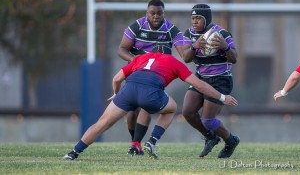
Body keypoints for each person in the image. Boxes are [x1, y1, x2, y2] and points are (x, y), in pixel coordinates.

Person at [63, 46, 238, 160]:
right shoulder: (173, 61)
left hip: (128, 90)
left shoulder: (140, 59)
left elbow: (117, 79)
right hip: (151, 93)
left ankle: (73, 153)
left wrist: (116, 93)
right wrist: (222, 97)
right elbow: (199, 84)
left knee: (101, 123)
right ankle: (152, 141)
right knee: (172, 109)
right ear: (168, 52)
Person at [117, 0, 184, 155]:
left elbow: (184, 54)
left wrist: (192, 47)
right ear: (147, 13)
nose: (155, 16)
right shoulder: (137, 26)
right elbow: (121, 49)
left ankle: (136, 144)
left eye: (159, 13)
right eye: (152, 13)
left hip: (156, 75)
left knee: (147, 106)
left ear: (163, 13)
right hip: (137, 71)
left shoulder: (171, 30)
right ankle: (134, 142)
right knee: (132, 110)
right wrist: (136, 61)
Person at [182, 4, 239, 158]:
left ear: (206, 19)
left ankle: (230, 140)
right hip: (200, 78)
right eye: (193, 18)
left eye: (198, 18)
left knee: (207, 120)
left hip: (220, 79)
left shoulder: (221, 33)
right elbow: (186, 58)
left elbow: (234, 58)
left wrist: (225, 47)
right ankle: (211, 137)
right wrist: (194, 46)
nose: (194, 22)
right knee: (187, 112)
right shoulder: (189, 33)